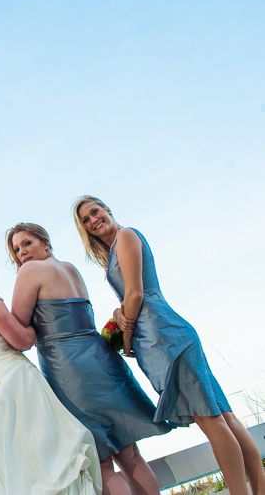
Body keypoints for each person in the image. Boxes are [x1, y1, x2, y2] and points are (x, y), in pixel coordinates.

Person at [74, 196, 265, 495]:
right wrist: (118, 313)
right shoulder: (116, 248)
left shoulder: (125, 234)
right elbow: (131, 297)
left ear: (107, 209)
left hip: (164, 337)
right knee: (226, 418)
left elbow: (136, 296)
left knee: (213, 422)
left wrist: (126, 338)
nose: (92, 220)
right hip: (164, 333)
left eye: (94, 212)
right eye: (85, 220)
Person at [6, 222, 170, 495]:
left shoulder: (31, 271)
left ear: (46, 244)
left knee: (100, 462)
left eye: (27, 244)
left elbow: (18, 328)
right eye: (17, 249)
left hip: (68, 369)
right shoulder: (71, 269)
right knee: (130, 455)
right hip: (102, 359)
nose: (22, 252)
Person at [0, 250, 102, 495]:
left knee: (14, 475)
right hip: (16, 383)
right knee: (46, 462)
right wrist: (38, 324)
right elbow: (21, 341)